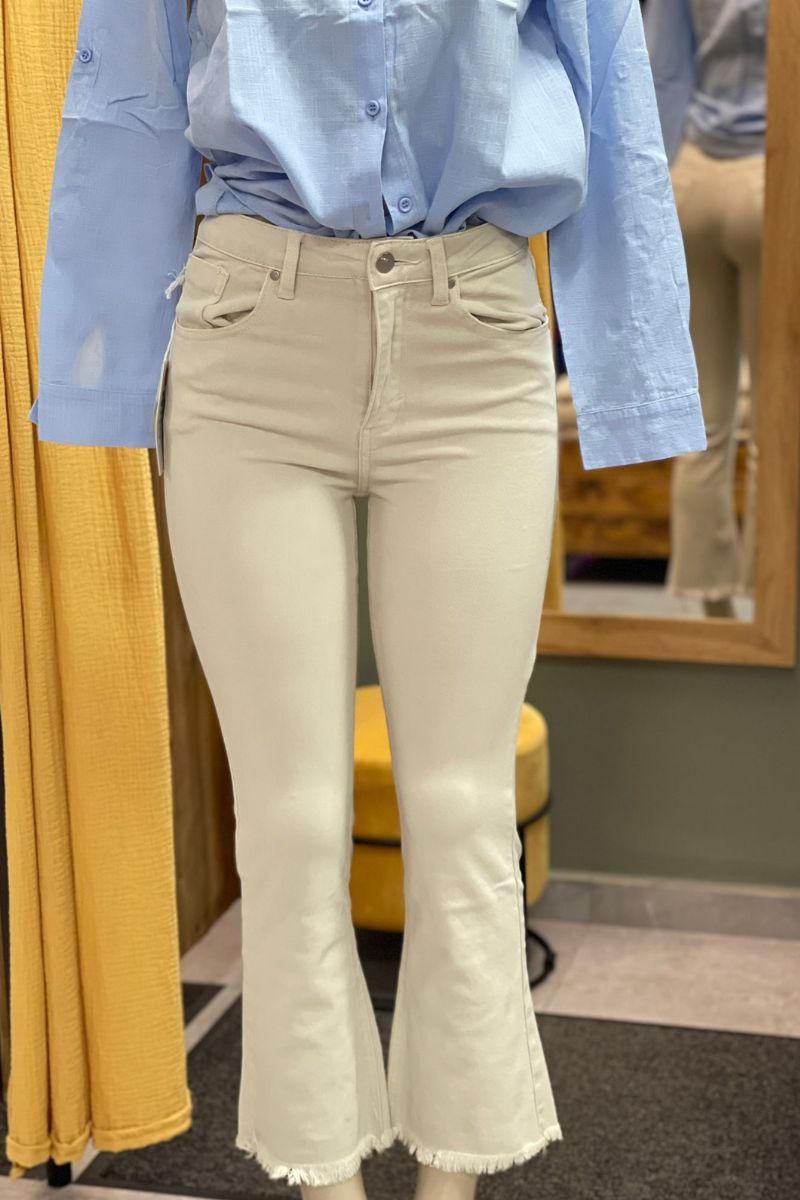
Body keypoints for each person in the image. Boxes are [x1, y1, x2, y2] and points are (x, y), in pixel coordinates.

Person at [29, 2, 707, 1198]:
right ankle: (325, 1182)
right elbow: (124, 104)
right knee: (287, 824)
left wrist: (632, 370)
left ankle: (454, 1182)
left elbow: (609, 94)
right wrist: (97, 369)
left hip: (473, 327)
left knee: (461, 810)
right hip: (249, 331)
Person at [644, 0, 768, 616]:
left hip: (693, 175)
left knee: (703, 414)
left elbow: (661, 68)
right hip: (773, 172)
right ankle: (776, 603)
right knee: (779, 417)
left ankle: (712, 606)